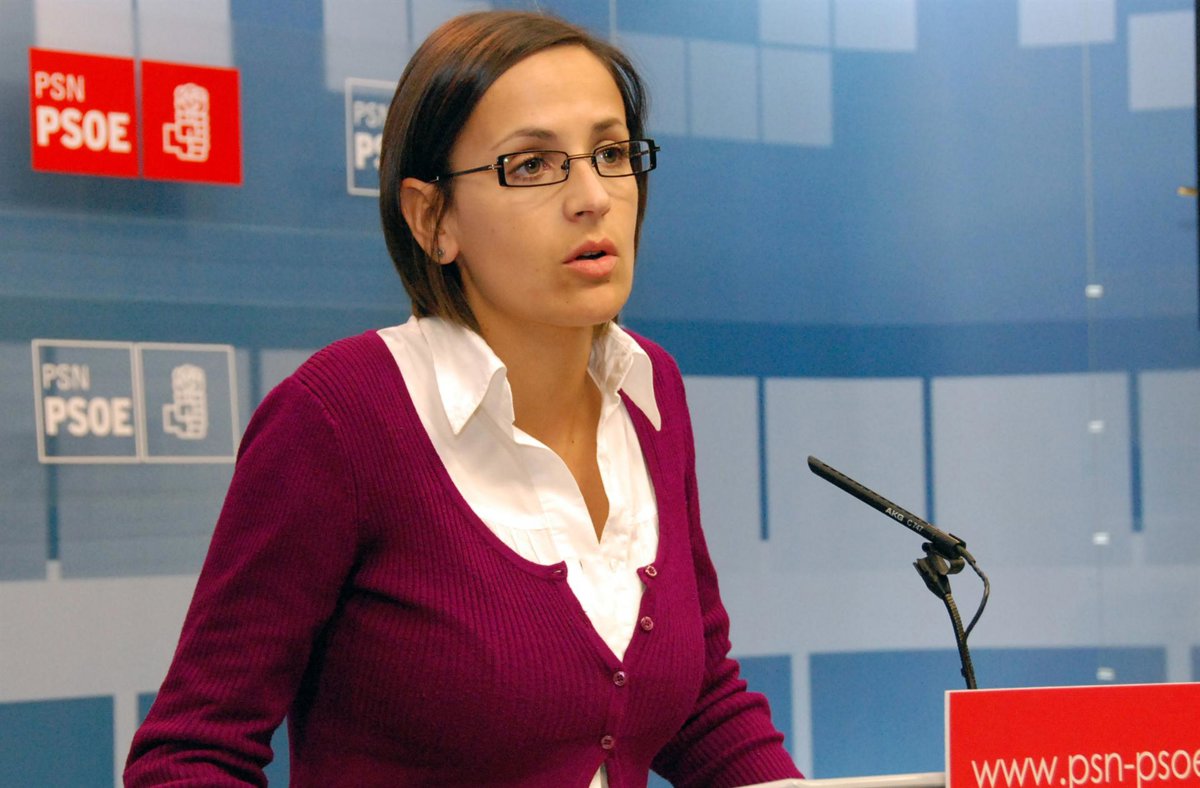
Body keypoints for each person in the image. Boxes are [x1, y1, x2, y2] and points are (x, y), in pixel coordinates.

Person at [124, 10, 802, 788]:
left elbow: (701, 700)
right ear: (432, 218)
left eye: (611, 154)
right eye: (532, 165)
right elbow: (190, 756)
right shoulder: (338, 418)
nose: (593, 197)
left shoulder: (654, 394)